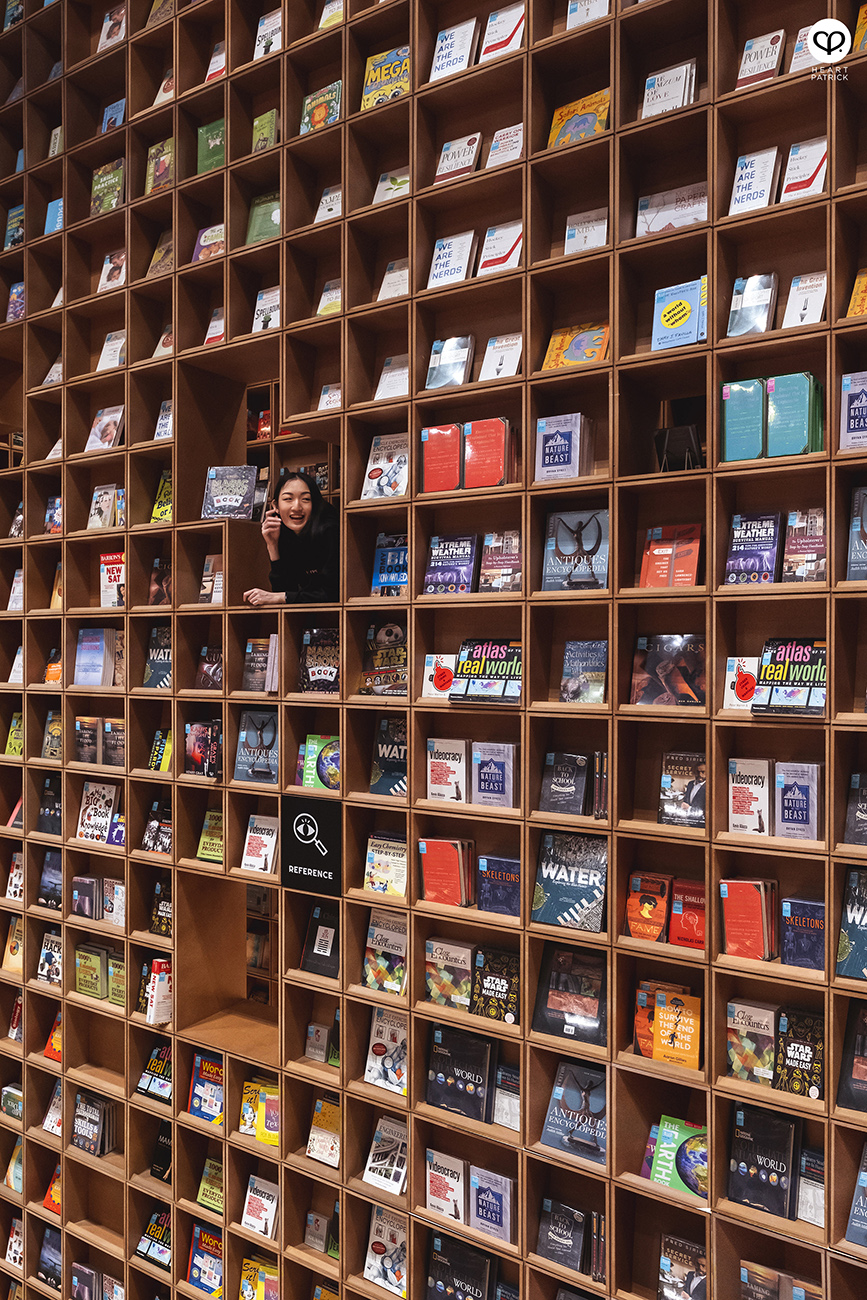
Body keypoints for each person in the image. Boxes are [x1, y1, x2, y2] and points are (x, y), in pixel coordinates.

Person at [244, 470, 339, 605]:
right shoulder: (283, 533)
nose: (297, 507)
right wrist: (272, 546)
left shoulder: (330, 530)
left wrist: (277, 597)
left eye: (305, 499)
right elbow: (284, 590)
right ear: (275, 506)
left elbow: (333, 594)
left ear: (315, 504)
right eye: (288, 499)